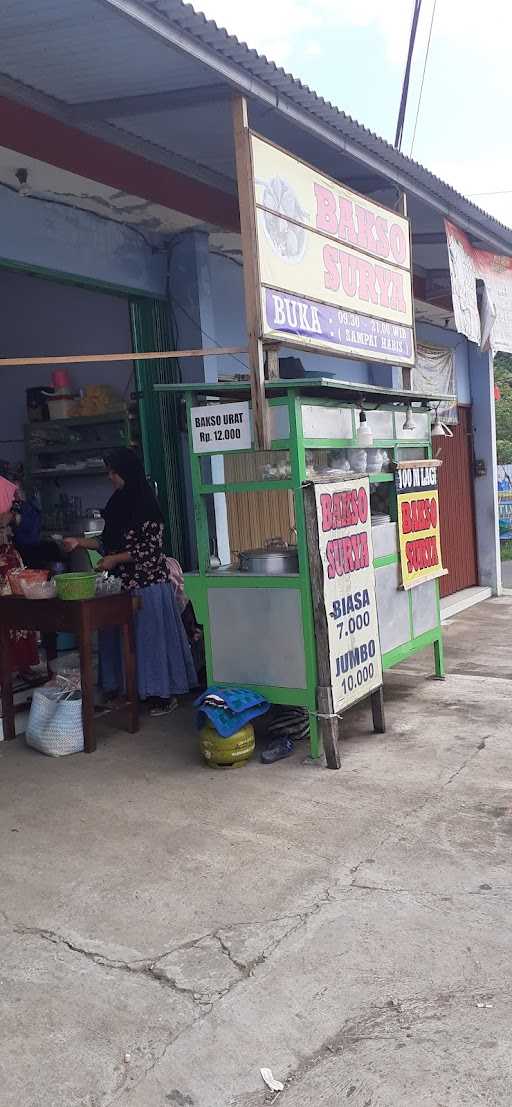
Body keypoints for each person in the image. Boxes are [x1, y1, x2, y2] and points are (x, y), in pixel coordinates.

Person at [64, 448, 196, 715]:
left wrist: (116, 559)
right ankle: (126, 692)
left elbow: (151, 549)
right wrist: (80, 542)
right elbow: (106, 542)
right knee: (118, 639)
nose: (109, 476)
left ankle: (161, 695)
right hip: (120, 585)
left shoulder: (147, 505)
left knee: (148, 641)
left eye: (113, 471)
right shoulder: (116, 504)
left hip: (148, 584)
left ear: (127, 472)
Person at [0, 479, 39, 675]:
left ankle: (21, 664)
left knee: (16, 611)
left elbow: (32, 529)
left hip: (7, 562)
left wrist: (14, 518)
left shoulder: (9, 490)